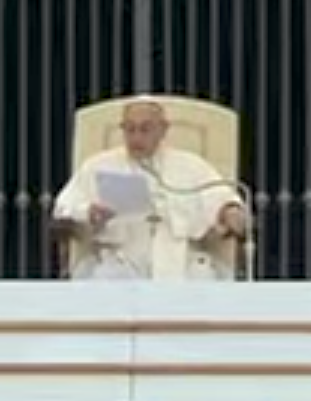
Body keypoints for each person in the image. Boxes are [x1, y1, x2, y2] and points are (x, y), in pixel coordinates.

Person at [51, 96, 248, 281]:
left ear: (163, 130)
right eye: (129, 129)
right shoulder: (98, 165)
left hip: (181, 261)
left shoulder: (191, 166)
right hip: (120, 262)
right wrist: (88, 212)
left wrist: (229, 211)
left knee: (202, 281)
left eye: (145, 129)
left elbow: (222, 199)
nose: (136, 137)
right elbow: (63, 208)